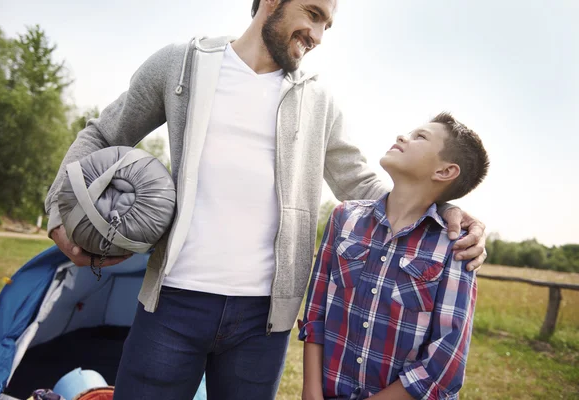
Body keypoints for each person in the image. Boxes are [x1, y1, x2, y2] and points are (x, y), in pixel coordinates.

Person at [44, 1, 488, 399]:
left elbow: (363, 185)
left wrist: (445, 210)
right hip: (172, 304)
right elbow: (103, 134)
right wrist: (56, 214)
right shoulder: (180, 65)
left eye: (326, 26)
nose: (317, 36)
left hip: (264, 321)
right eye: (312, 15)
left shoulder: (319, 99)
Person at [299, 112, 489, 400]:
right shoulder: (344, 218)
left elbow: (445, 362)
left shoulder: (455, 245)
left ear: (445, 172)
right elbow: (316, 316)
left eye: (420, 137)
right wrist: (310, 393)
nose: (403, 137)